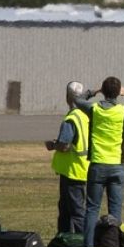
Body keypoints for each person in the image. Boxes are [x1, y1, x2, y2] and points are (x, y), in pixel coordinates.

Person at [74, 76, 124, 247]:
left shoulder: (94, 109)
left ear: (104, 92)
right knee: (115, 210)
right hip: (116, 166)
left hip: (98, 164)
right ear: (118, 92)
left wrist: (93, 91)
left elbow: (77, 100)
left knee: (92, 208)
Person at [47, 82, 90, 234]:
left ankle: (82, 241)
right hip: (82, 168)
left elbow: (64, 146)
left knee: (76, 211)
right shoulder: (86, 115)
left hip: (72, 170)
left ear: (67, 97)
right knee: (66, 208)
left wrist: (53, 145)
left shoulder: (71, 119)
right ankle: (64, 238)